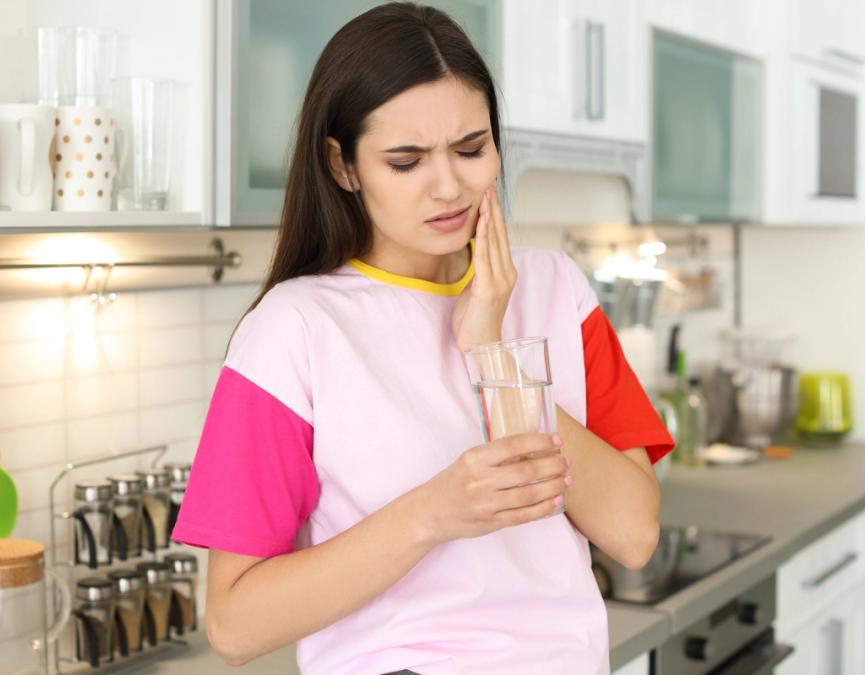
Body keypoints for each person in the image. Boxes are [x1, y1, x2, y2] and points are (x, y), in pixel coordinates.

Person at [172, 4, 674, 674]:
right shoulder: (294, 330)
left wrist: (489, 352)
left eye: (471, 149)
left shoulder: (556, 288)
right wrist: (434, 513)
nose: (449, 186)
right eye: (405, 161)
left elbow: (633, 533)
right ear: (343, 165)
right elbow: (234, 624)